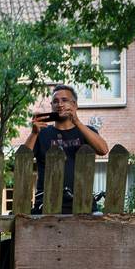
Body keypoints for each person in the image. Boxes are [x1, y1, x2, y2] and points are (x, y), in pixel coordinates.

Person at [24, 84, 109, 214]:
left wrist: (77, 122)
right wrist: (34, 133)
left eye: (64, 100)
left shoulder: (86, 131)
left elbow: (103, 150)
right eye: (55, 101)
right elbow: (23, 160)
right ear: (52, 106)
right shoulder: (42, 133)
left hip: (82, 201)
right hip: (47, 203)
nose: (60, 104)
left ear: (75, 105)